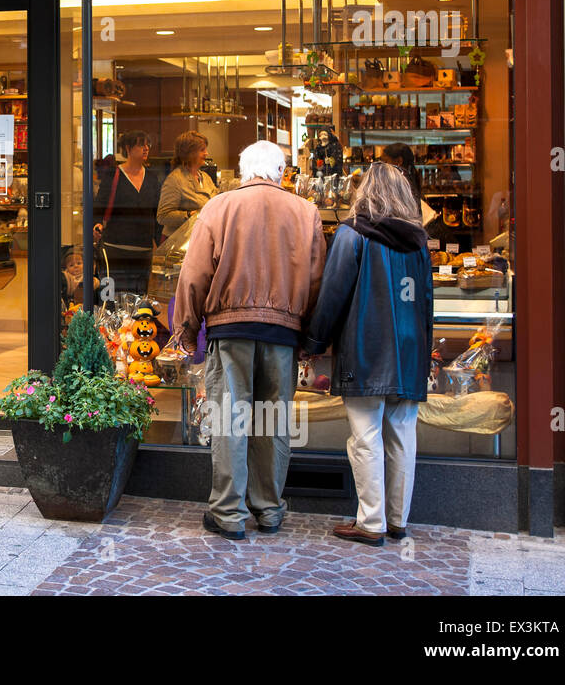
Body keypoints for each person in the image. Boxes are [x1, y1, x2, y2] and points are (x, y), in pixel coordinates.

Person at [172, 140, 327, 540]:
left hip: (230, 328)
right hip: (283, 333)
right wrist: (309, 336)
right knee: (273, 423)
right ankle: (270, 509)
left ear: (243, 170)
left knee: (230, 420)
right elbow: (316, 281)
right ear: (280, 171)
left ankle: (228, 513)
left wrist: (187, 330)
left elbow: (193, 276)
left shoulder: (218, 207)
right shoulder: (306, 212)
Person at [302, 162, 433, 547]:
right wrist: (425, 354)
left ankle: (370, 522)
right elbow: (426, 302)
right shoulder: (419, 242)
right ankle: (397, 520)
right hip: (410, 351)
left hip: (365, 348)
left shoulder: (352, 234)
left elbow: (332, 295)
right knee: (403, 436)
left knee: (365, 436)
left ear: (365, 192)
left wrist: (313, 342)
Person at [92, 131, 162, 297]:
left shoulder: (152, 178)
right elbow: (99, 205)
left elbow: (157, 213)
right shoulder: (114, 174)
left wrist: (160, 243)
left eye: (148, 145)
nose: (146, 148)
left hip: (143, 250)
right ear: (128, 149)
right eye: (141, 144)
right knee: (110, 297)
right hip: (115, 248)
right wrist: (96, 224)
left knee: (139, 299)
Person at [157, 131, 217, 238]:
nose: (206, 153)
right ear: (190, 153)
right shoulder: (175, 180)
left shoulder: (205, 177)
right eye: (202, 150)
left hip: (201, 238)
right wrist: (190, 215)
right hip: (178, 243)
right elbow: (163, 216)